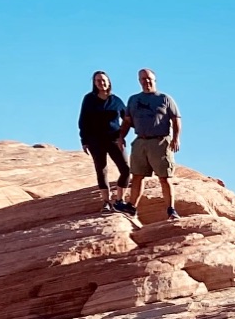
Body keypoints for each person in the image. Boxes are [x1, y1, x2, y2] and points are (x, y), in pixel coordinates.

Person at [122, 68, 182, 221]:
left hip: (160, 141)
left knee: (164, 177)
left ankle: (171, 210)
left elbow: (176, 119)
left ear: (154, 80)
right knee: (137, 176)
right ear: (139, 81)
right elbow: (127, 121)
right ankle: (131, 207)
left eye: (149, 78)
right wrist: (120, 137)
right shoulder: (133, 99)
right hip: (140, 141)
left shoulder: (164, 99)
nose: (146, 81)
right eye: (143, 79)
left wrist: (176, 138)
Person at [77, 71, 131, 211]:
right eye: (98, 81)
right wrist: (84, 140)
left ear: (109, 82)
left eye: (103, 80)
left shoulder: (116, 101)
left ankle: (119, 200)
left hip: (114, 139)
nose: (101, 83)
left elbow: (127, 119)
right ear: (94, 83)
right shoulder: (89, 99)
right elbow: (83, 120)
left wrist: (122, 135)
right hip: (95, 140)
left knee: (126, 170)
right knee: (101, 170)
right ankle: (106, 202)